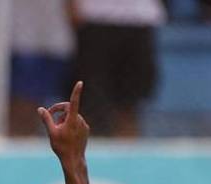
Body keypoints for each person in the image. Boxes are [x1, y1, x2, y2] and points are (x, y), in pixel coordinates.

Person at [71, 0, 165, 137]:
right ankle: (89, 153)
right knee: (92, 101)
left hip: (139, 19)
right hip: (95, 18)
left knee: (130, 102)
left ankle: (128, 153)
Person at [8, 0, 74, 137]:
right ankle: (20, 139)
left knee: (52, 106)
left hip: (56, 42)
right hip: (23, 41)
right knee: (23, 105)